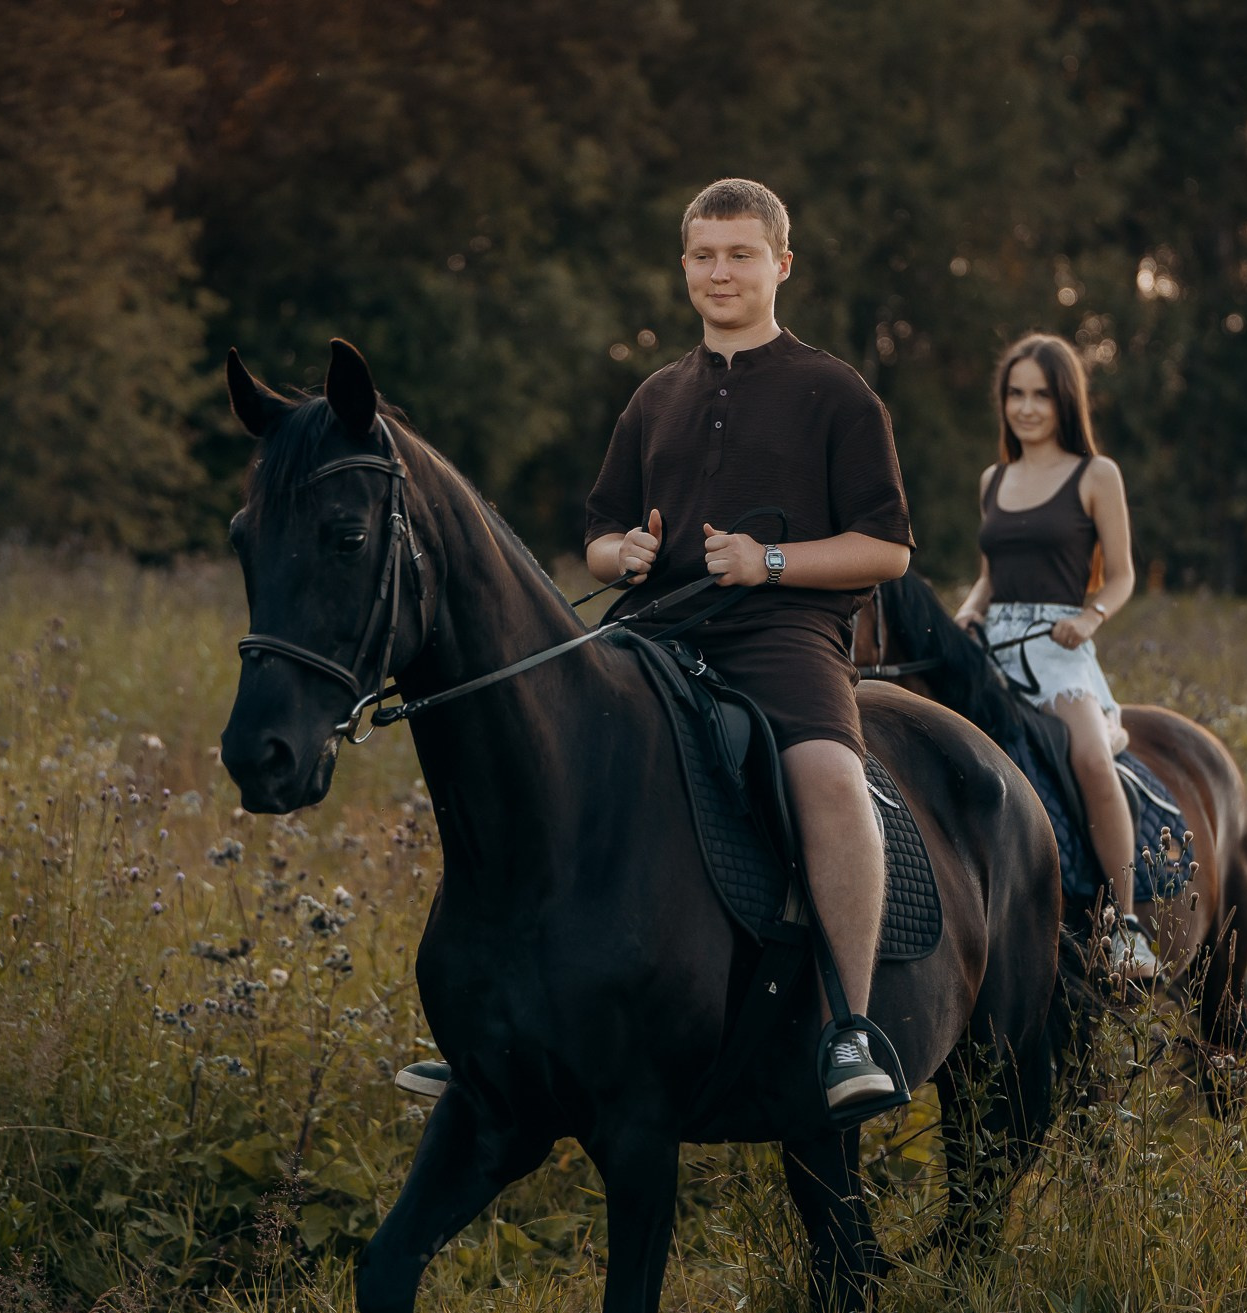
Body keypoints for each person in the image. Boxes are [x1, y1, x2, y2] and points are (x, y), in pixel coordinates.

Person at [398, 178, 915, 1116]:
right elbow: (599, 534)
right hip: (654, 630)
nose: (721, 272)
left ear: (781, 266)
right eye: (705, 255)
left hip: (783, 634)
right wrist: (619, 551)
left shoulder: (835, 392)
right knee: (529, 758)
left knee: (833, 782)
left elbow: (886, 547)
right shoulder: (655, 394)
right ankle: (487, 1029)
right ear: (685, 267)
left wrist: (770, 560)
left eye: (741, 254)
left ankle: (850, 1025)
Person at [951, 334, 1158, 979]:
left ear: (1064, 399)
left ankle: (1125, 925)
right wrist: (968, 611)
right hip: (995, 647)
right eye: (1016, 394)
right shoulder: (994, 479)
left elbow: (1121, 576)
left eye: (1041, 394)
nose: (1027, 408)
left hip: (1059, 645)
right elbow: (992, 574)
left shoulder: (1095, 476)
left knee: (1092, 758)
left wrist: (1089, 616)